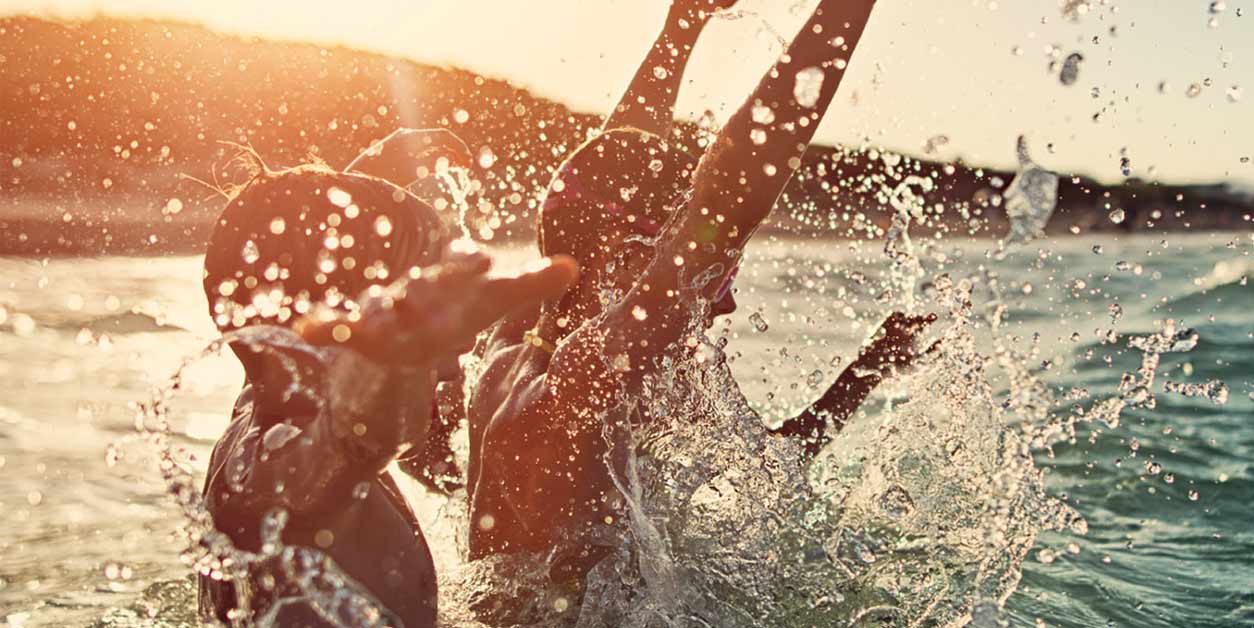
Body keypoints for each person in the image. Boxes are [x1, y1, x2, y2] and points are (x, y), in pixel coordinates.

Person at [411, 0, 929, 619]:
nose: (725, 296)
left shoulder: (519, 338)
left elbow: (608, 179)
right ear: (631, 263)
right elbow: (731, 191)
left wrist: (682, 26)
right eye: (717, 273)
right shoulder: (580, 381)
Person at [196, 139, 579, 626]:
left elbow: (298, 318)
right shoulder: (271, 478)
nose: (462, 341)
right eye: (412, 308)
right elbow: (361, 434)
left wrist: (366, 178)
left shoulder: (259, 407)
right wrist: (401, 358)